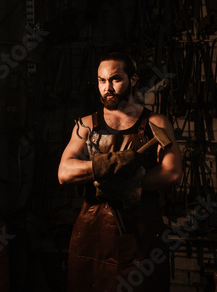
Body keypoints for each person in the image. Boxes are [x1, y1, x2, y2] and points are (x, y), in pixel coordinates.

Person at [58, 52, 182, 292]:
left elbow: (173, 173)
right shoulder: (86, 125)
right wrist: (107, 165)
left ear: (133, 79)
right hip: (92, 235)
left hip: (141, 234)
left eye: (115, 79)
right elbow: (64, 172)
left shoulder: (155, 122)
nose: (108, 87)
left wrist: (131, 184)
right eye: (101, 81)